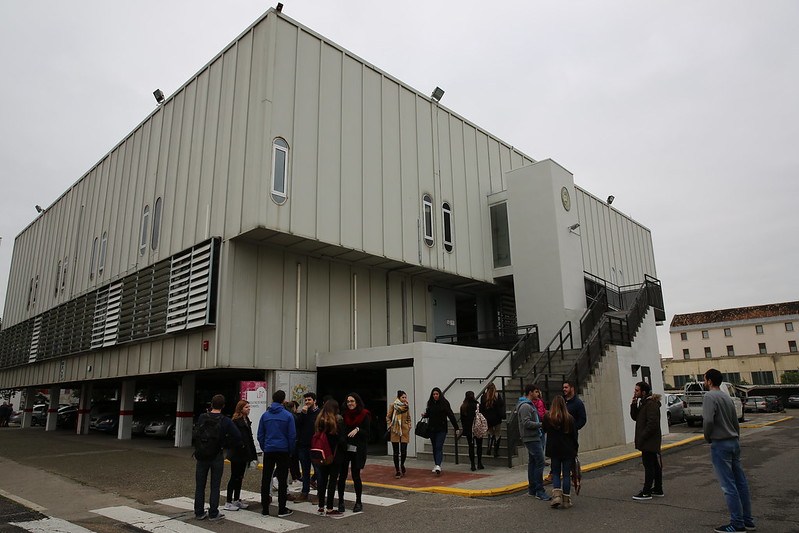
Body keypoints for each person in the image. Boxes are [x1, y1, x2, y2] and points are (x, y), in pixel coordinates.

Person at [703, 368, 755, 533]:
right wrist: (736, 437)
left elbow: (708, 420)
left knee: (728, 486)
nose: (704, 382)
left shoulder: (709, 396)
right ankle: (748, 520)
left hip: (720, 443)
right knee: (741, 483)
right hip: (733, 442)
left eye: (705, 379)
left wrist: (708, 437)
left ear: (709, 381)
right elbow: (735, 420)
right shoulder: (726, 396)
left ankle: (737, 524)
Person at [193, 394, 241, 521]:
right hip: (217, 455)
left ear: (211, 405)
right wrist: (225, 444)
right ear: (223, 406)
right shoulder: (225, 421)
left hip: (201, 454)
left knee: (200, 485)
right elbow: (237, 436)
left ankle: (198, 512)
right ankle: (213, 512)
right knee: (215, 485)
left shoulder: (202, 417)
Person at [257, 390, 297, 518]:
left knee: (266, 478)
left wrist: (265, 447)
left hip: (269, 449)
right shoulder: (288, 416)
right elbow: (292, 436)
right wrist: (290, 450)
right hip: (283, 450)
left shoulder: (265, 415)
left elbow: (260, 435)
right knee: (282, 478)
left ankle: (265, 509)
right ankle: (281, 508)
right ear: (283, 400)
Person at [629, 380, 663, 501]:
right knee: (654, 465)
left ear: (643, 392)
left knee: (649, 466)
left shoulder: (651, 404)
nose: (635, 392)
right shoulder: (643, 403)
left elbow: (652, 424)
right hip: (647, 440)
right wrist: (633, 404)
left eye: (637, 390)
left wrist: (642, 436)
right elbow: (635, 417)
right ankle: (658, 488)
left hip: (649, 441)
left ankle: (646, 491)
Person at [337, 393, 370, 513]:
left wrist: (358, 429)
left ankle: (358, 502)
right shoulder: (343, 415)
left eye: (352, 401)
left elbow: (367, 433)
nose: (350, 403)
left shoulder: (364, 415)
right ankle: (341, 502)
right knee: (342, 477)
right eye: (348, 401)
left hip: (357, 449)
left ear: (357, 402)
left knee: (356, 476)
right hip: (344, 449)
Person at [517, 383, 550, 500]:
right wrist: (542, 424)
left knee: (533, 463)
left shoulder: (529, 405)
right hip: (531, 437)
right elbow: (526, 423)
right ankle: (539, 491)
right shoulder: (526, 406)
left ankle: (532, 489)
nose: (538, 394)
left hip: (534, 436)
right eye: (536, 392)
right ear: (530, 392)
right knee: (540, 462)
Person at [544, 395, 577, 509]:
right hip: (567, 449)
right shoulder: (570, 418)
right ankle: (566, 499)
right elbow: (574, 436)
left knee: (556, 472)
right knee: (566, 474)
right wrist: (575, 449)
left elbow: (543, 430)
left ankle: (556, 496)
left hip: (554, 449)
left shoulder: (548, 417)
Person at [224, 400, 258, 511]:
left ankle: (237, 499)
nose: (249, 409)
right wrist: (241, 446)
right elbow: (233, 438)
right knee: (234, 476)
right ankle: (229, 501)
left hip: (245, 453)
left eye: (249, 407)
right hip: (237, 454)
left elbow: (249, 438)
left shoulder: (246, 420)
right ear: (241, 408)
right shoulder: (235, 421)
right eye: (246, 407)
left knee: (240, 477)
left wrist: (252, 454)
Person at [315, 399, 347, 516]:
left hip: (322, 454)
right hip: (334, 455)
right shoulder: (337, 421)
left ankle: (320, 506)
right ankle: (329, 508)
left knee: (322, 480)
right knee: (332, 481)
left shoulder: (319, 421)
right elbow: (342, 440)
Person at [421, 387, 460, 474]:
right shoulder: (430, 403)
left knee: (439, 446)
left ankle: (438, 464)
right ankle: (436, 464)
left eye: (437, 394)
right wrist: (425, 415)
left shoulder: (444, 403)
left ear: (440, 395)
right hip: (432, 428)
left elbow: (450, 415)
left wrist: (456, 427)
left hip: (441, 428)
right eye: (434, 394)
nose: (435, 396)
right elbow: (429, 413)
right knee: (434, 447)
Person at [294, 392, 320, 503]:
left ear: (314, 401)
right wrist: (303, 414)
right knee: (305, 471)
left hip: (315, 446)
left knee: (318, 471)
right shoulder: (303, 413)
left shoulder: (319, 413)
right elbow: (298, 425)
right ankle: (304, 493)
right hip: (303, 446)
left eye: (309, 400)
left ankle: (320, 494)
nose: (307, 402)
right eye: (305, 400)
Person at [460, 391, 484, 471]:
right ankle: (479, 463)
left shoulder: (463, 406)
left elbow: (462, 419)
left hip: (468, 428)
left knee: (471, 446)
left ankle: (472, 464)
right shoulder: (477, 405)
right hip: (477, 428)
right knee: (479, 445)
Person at [480, 382, 506, 457]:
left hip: (488, 419)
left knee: (491, 433)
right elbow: (501, 405)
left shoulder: (483, 397)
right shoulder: (497, 396)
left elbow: (482, 408)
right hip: (496, 418)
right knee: (497, 434)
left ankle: (489, 448)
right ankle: (495, 451)